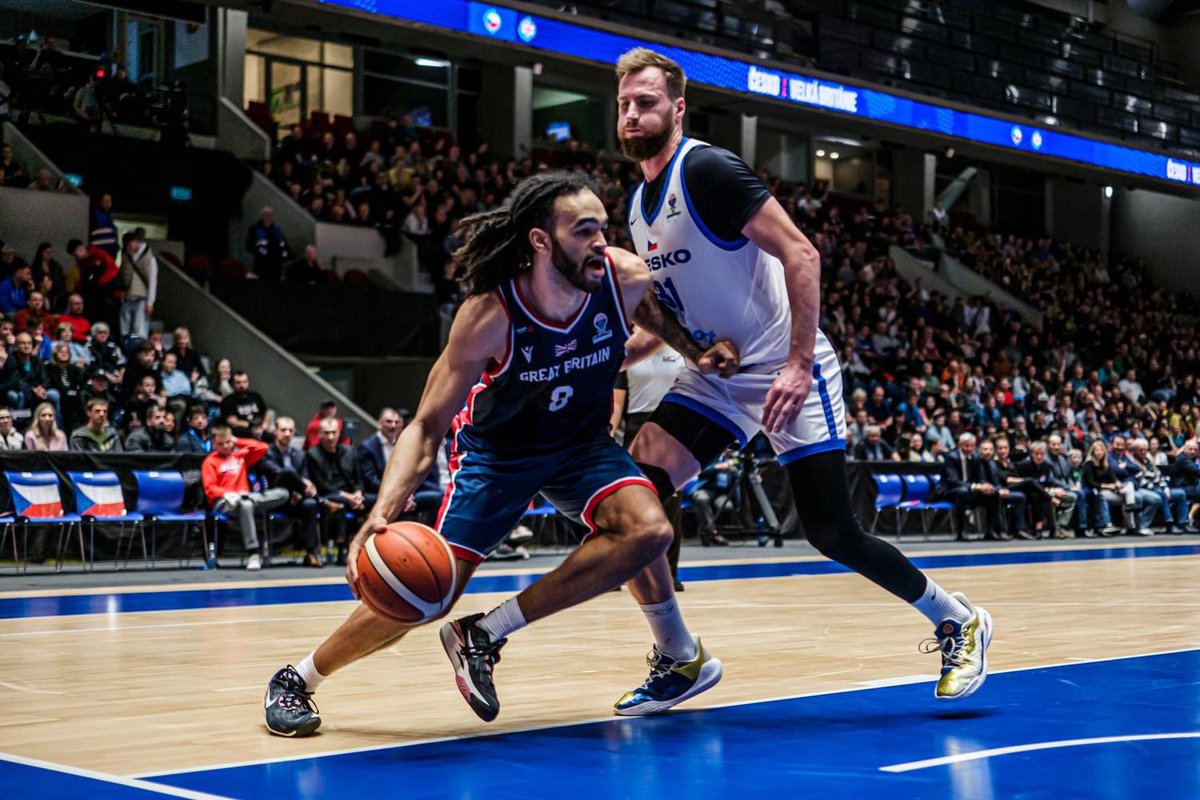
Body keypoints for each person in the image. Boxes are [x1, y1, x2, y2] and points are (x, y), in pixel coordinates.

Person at [262, 171, 736, 737]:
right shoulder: (491, 313)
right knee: (428, 592)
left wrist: (701, 352)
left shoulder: (621, 276)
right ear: (540, 241)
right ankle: (298, 678)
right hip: (500, 456)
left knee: (649, 529)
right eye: (584, 231)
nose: (600, 242)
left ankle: (487, 632)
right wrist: (381, 513)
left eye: (603, 228)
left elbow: (659, 325)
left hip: (581, 446)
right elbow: (426, 424)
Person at [610, 48, 990, 707]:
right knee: (642, 481)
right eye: (623, 104)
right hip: (719, 378)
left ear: (677, 109)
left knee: (831, 532)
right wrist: (648, 354)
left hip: (788, 365)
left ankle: (957, 619)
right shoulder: (638, 206)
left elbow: (801, 252)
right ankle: (679, 657)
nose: (632, 114)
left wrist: (796, 361)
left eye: (645, 102)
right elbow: (668, 313)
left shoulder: (705, 169)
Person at [202, 425, 289, 571]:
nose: (225, 446)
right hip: (224, 502)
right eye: (221, 444)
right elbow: (210, 489)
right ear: (214, 444)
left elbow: (262, 448)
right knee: (246, 505)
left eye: (228, 442)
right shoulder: (210, 462)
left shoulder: (239, 456)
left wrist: (238, 441)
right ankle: (253, 553)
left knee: (283, 493)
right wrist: (225, 494)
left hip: (245, 497)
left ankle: (248, 498)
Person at [259, 415, 323, 568]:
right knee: (288, 472)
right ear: (275, 432)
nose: (287, 433)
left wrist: (299, 492)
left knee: (309, 505)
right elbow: (277, 474)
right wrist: (299, 487)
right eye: (283, 430)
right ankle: (322, 500)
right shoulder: (266, 452)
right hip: (274, 498)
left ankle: (310, 554)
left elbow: (306, 477)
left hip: (296, 500)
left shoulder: (300, 455)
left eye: (290, 430)